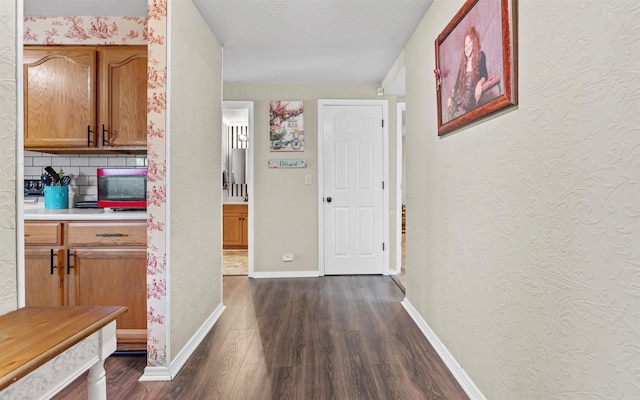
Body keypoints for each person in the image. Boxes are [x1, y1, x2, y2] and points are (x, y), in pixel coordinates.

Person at [446, 26, 488, 120]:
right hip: (460, 102)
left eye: (469, 42)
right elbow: (456, 85)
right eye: (465, 45)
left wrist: (479, 84)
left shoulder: (480, 56)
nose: (467, 47)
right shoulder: (463, 64)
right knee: (449, 113)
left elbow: (484, 75)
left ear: (474, 42)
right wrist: (450, 97)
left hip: (471, 104)